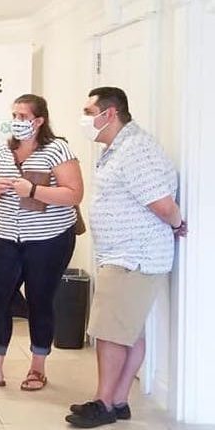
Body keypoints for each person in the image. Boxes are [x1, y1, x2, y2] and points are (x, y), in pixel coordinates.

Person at [65, 87, 187, 428]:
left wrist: (178, 224)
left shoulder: (135, 149)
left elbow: (162, 203)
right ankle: (118, 401)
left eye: (90, 112)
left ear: (111, 113)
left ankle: (103, 403)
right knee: (126, 331)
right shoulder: (118, 148)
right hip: (126, 253)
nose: (85, 119)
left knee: (110, 332)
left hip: (135, 255)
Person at [0, 94, 83, 391]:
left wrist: (34, 190)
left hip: (49, 239)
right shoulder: (1, 152)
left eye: (24, 117)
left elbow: (74, 194)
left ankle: (37, 368)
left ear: (39, 121)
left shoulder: (57, 150)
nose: (17, 122)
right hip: (6, 238)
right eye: (14, 115)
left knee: (40, 300)